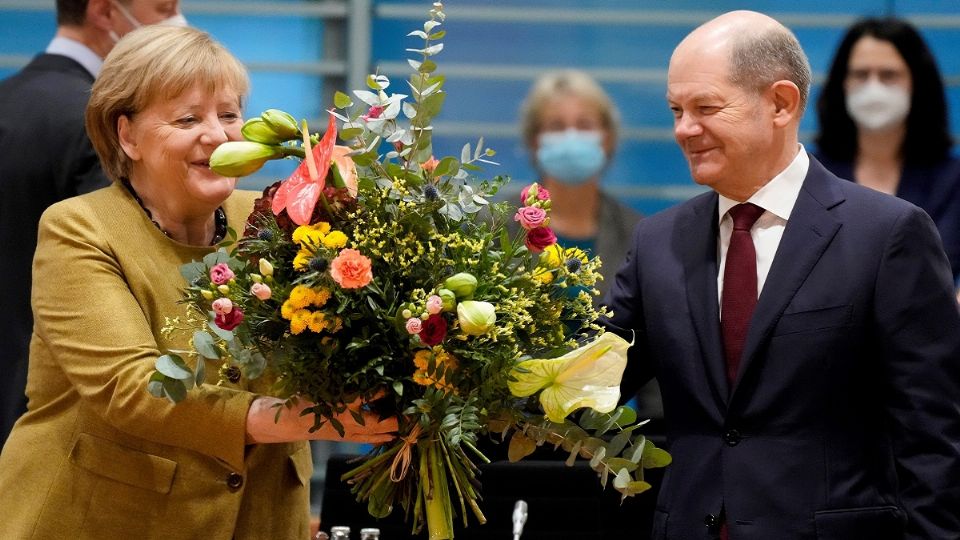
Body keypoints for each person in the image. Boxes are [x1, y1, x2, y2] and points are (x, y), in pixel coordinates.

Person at [0, 25, 396, 539]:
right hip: (105, 519)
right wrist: (292, 418)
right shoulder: (79, 228)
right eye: (188, 118)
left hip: (262, 517)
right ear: (127, 135)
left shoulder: (278, 216)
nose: (218, 134)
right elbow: (132, 389)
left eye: (229, 114)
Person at [604, 10, 960, 540]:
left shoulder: (887, 234)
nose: (684, 129)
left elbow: (931, 434)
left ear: (780, 103)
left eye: (705, 108)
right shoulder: (659, 241)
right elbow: (584, 381)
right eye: (676, 110)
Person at [0, 0, 186, 446]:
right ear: (105, 13)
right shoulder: (104, 123)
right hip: (62, 396)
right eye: (164, 10)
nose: (178, 24)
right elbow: (121, 261)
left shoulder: (8, 97)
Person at [815, 17, 960, 283]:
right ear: (843, 83)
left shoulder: (953, 180)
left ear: (917, 83)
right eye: (861, 74)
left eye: (888, 75)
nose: (874, 88)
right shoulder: (812, 175)